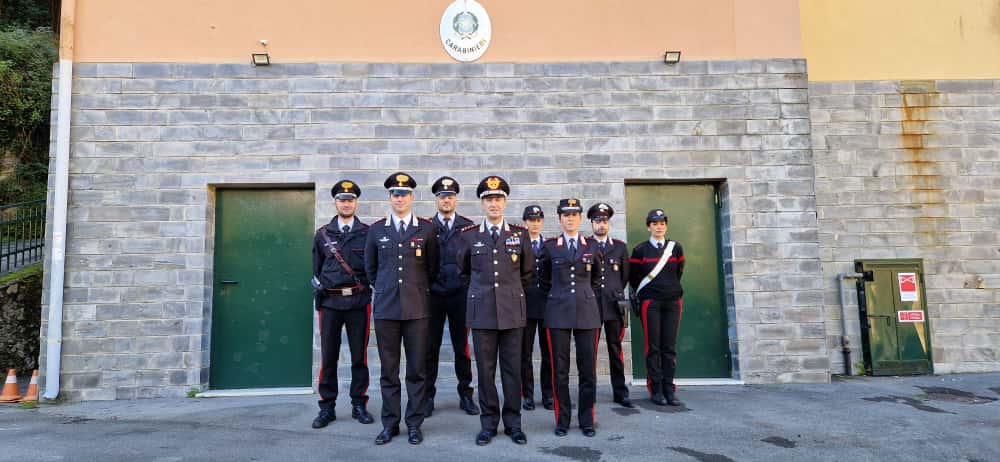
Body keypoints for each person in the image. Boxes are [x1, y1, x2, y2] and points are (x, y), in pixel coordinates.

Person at [456, 175, 533, 446]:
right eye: (489, 199)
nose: (494, 203)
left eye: (498, 198)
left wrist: (507, 294)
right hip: (482, 314)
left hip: (512, 313)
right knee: (486, 372)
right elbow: (463, 272)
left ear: (505, 201)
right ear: (481, 203)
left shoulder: (519, 234)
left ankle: (513, 424)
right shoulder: (468, 237)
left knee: (513, 370)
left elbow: (527, 273)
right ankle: (488, 423)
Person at [365, 172, 440, 445]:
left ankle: (414, 423)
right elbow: (370, 270)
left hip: (418, 309)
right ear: (390, 198)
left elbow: (433, 267)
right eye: (395, 194)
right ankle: (390, 423)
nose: (400, 198)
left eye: (405, 194)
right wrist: (387, 290)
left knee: (417, 370)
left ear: (412, 197)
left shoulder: (426, 229)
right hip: (386, 309)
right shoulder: (376, 230)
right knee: (389, 370)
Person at [310, 180, 375, 428]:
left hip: (358, 302)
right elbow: (316, 270)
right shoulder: (323, 234)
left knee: (359, 357)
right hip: (330, 304)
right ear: (335, 202)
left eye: (350, 200)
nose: (346, 203)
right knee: (329, 357)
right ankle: (327, 407)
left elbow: (373, 267)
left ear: (355, 203)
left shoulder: (367, 233)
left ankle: (359, 404)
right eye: (341, 200)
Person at [538, 198, 602, 437]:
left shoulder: (592, 246)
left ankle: (587, 420)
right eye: (566, 215)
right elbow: (543, 279)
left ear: (580, 217)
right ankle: (562, 420)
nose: (570, 218)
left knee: (588, 370)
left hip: (587, 313)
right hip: (558, 313)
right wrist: (559, 297)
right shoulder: (550, 246)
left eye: (574, 214)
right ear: (560, 218)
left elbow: (596, 279)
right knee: (560, 370)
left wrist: (583, 296)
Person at [424, 176, 479, 417]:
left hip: (460, 296)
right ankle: (427, 397)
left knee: (462, 349)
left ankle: (466, 395)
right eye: (442, 196)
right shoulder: (424, 227)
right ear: (436, 200)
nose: (446, 200)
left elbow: (474, 263)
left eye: (450, 196)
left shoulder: (468, 228)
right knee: (430, 349)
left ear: (456, 199)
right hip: (433, 296)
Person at [628, 209, 685, 407]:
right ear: (648, 226)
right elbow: (634, 277)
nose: (658, 226)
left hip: (672, 302)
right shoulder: (640, 250)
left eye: (662, 223)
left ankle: (670, 389)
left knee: (669, 348)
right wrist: (649, 292)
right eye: (654, 223)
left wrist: (668, 288)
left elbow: (678, 272)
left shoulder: (675, 248)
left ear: (666, 226)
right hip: (650, 303)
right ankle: (656, 389)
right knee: (652, 347)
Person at [587, 203, 633, 408]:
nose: (601, 225)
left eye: (604, 221)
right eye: (597, 221)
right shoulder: (585, 245)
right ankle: (590, 393)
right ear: (591, 223)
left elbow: (624, 277)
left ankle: (620, 392)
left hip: (614, 306)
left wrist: (613, 292)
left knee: (616, 350)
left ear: (609, 223)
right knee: (590, 351)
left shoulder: (620, 247)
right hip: (591, 305)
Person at [520, 205, 553, 412]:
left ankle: (548, 395)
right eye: (531, 220)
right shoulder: (519, 243)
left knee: (549, 353)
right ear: (525, 222)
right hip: (525, 305)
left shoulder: (549, 246)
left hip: (548, 305)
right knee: (525, 353)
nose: (535, 223)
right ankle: (528, 394)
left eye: (538, 220)